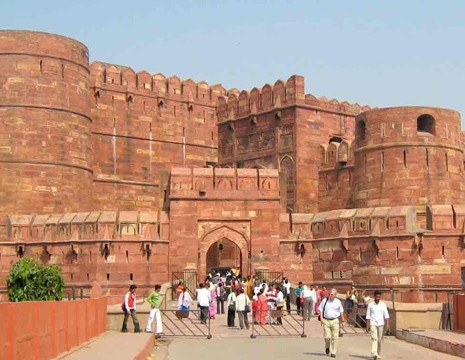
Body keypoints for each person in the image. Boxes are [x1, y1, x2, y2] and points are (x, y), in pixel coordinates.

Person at [318, 288, 346, 358]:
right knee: (327, 337)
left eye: (332, 294)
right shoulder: (325, 300)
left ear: (335, 295)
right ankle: (327, 346)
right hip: (326, 320)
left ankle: (333, 351)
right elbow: (320, 309)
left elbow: (341, 311)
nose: (330, 295)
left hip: (335, 320)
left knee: (335, 337)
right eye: (329, 294)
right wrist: (321, 318)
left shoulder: (338, 302)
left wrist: (343, 320)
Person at [366, 290, 390, 360]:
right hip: (373, 323)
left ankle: (378, 354)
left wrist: (387, 324)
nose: (378, 298)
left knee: (379, 340)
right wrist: (367, 326)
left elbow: (386, 315)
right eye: (377, 296)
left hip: (381, 324)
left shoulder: (383, 305)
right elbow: (368, 316)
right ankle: (374, 353)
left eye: (379, 297)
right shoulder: (370, 305)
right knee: (374, 338)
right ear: (374, 297)